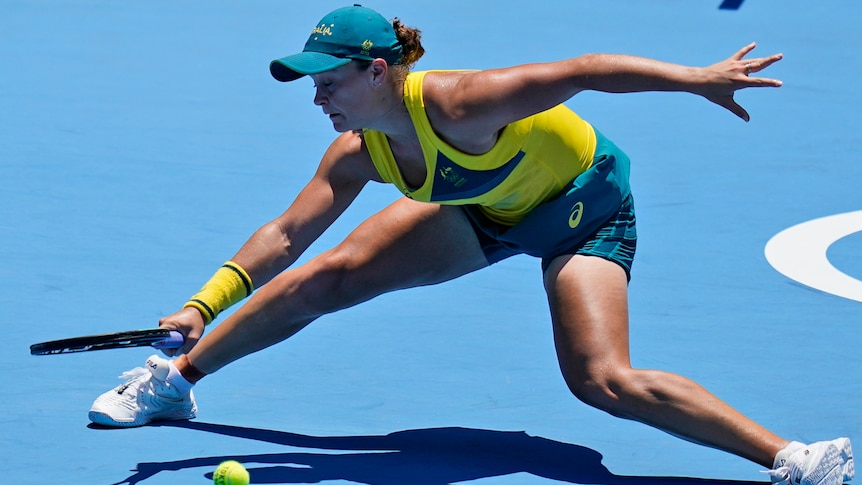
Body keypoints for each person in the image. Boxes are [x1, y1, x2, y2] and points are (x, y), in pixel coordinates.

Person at [89, 5, 853, 484]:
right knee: (330, 274)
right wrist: (201, 303)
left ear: (377, 71)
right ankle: (177, 376)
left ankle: (797, 457)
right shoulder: (361, 149)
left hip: (582, 210)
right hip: (486, 207)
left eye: (328, 81)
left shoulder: (461, 103)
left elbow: (583, 71)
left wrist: (696, 78)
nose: (316, 96)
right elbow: (288, 234)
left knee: (602, 381)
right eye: (310, 84)